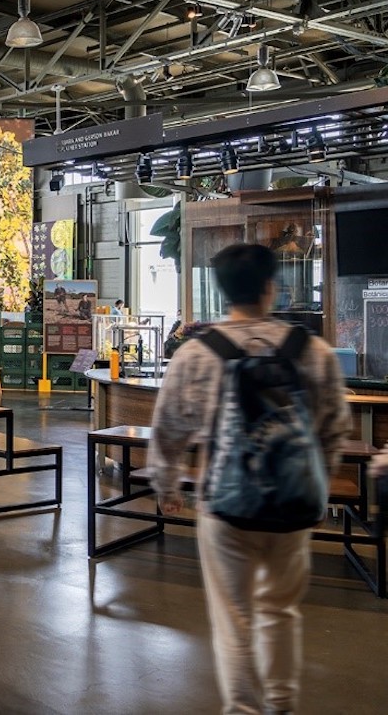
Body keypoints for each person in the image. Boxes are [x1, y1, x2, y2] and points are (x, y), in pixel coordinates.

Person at [151, 243, 351, 715]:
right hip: (293, 505)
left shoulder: (196, 354)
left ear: (222, 291)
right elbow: (335, 427)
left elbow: (168, 430)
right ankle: (281, 704)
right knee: (280, 610)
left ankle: (244, 709)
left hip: (225, 505)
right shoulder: (314, 351)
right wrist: (317, 486)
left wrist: (166, 487)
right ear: (270, 287)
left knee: (234, 619)